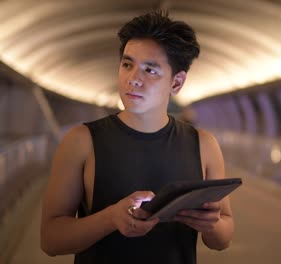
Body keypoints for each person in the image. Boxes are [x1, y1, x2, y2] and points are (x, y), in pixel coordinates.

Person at [40, 10, 234, 263]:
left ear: (176, 83)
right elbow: (50, 239)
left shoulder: (203, 145)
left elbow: (223, 238)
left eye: (150, 70)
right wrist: (110, 218)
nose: (133, 79)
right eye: (127, 64)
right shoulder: (81, 141)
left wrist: (210, 223)